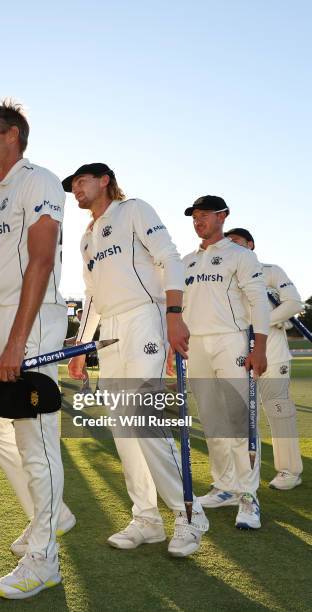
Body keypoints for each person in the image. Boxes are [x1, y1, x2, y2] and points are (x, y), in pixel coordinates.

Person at [0, 100, 74, 600]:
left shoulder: (39, 180)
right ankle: (51, 514)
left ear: (12, 136)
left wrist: (18, 343)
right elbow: (4, 278)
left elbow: (41, 262)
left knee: (36, 440)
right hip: (4, 318)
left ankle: (44, 559)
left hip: (37, 321)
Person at [65, 163, 209, 557]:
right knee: (123, 429)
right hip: (109, 331)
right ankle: (146, 518)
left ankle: (189, 513)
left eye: (82, 181)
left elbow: (170, 258)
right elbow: (91, 295)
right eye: (72, 185)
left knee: (142, 420)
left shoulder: (134, 210)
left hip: (145, 316)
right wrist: (82, 346)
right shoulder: (86, 236)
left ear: (105, 180)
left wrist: (174, 316)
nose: (75, 189)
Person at [182, 196, 270, 529]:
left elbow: (258, 301)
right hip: (196, 346)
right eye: (194, 216)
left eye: (204, 215)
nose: (198, 220)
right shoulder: (187, 261)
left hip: (230, 340)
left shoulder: (241, 256)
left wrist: (258, 346)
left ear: (223, 216)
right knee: (213, 420)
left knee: (238, 421)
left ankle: (248, 496)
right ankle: (225, 487)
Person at [224, 228, 304, 490]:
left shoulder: (270, 271)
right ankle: (245, 472)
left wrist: (262, 322)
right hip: (237, 356)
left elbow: (293, 304)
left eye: (236, 242)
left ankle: (290, 471)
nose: (231, 246)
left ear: (251, 245)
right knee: (240, 416)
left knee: (279, 411)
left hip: (273, 354)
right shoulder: (225, 278)